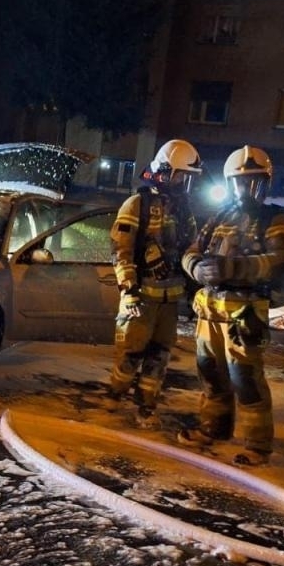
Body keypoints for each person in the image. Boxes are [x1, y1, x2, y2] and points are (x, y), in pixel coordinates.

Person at [179, 145, 284, 465]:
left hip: (244, 316)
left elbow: (280, 261)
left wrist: (234, 269)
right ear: (231, 184)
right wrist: (196, 268)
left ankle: (258, 444)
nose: (246, 188)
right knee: (210, 373)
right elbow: (191, 251)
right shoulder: (218, 217)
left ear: (265, 184)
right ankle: (213, 428)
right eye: (241, 182)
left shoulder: (274, 219)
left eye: (253, 182)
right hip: (211, 312)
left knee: (245, 378)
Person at [108, 139, 202, 426]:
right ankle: (114, 398)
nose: (184, 183)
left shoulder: (183, 210)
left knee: (160, 355)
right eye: (181, 176)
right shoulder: (137, 204)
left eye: (188, 178)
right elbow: (120, 249)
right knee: (130, 353)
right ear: (164, 171)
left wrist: (196, 288)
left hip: (169, 301)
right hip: (141, 297)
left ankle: (146, 405)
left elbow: (192, 249)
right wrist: (129, 288)